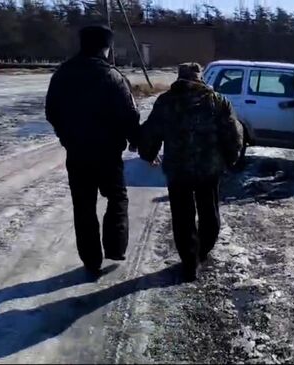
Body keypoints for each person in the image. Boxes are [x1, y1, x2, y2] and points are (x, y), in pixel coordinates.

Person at [45, 25, 140, 274]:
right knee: (117, 198)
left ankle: (91, 259)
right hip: (108, 154)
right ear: (105, 48)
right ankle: (115, 246)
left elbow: (51, 111)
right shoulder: (113, 76)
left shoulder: (63, 74)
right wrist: (136, 139)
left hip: (77, 154)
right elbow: (129, 114)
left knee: (83, 205)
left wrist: (66, 137)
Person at [139, 63, 243, 282]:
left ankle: (189, 263)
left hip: (178, 170)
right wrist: (231, 157)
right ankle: (202, 250)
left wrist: (149, 153)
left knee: (182, 216)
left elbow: (152, 130)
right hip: (209, 169)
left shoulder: (166, 101)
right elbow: (232, 132)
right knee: (209, 210)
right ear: (200, 78)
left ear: (179, 78)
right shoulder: (217, 101)